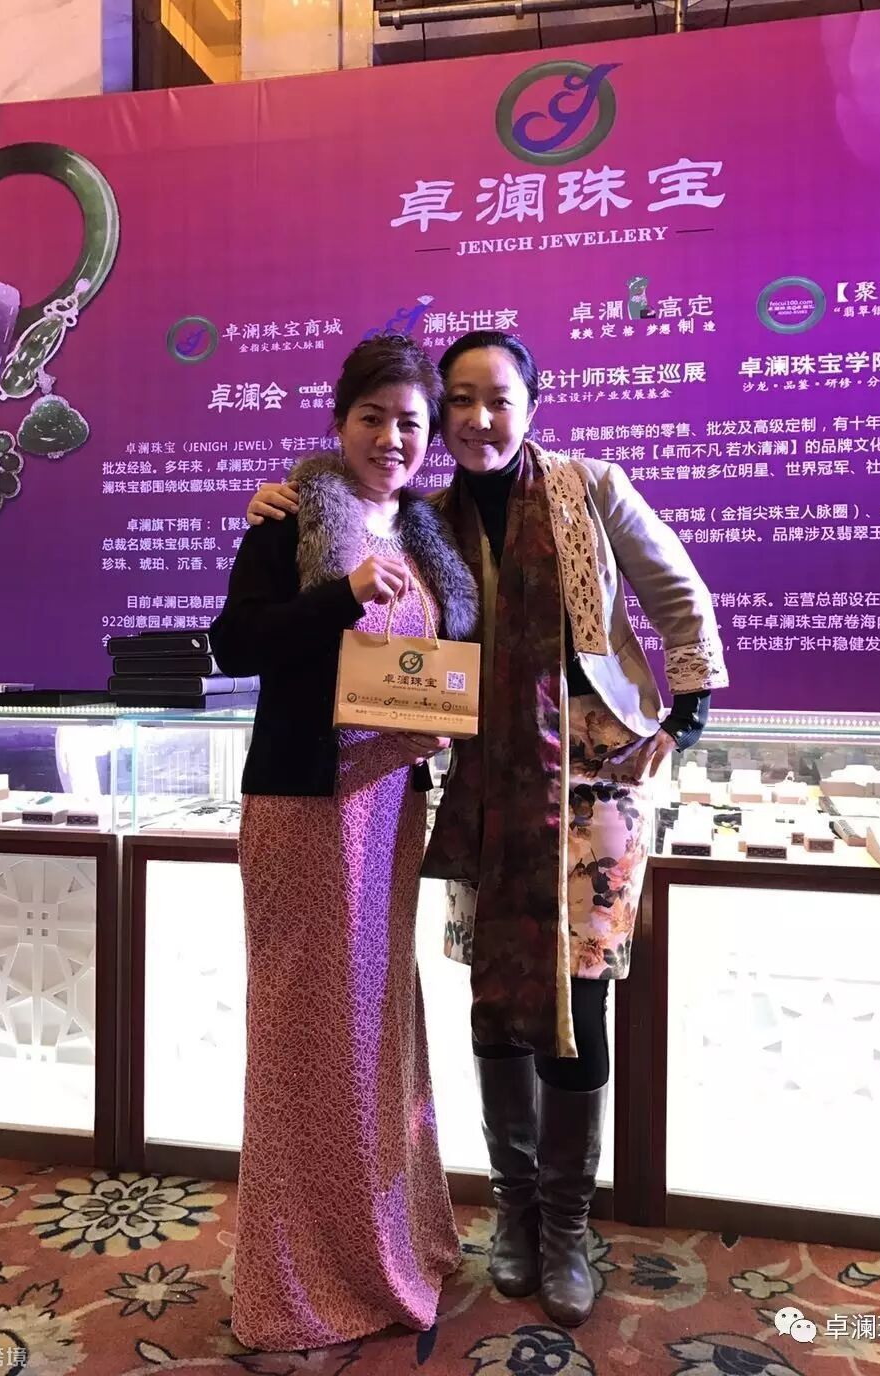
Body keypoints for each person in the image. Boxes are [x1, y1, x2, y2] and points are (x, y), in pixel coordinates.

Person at [246, 329, 727, 1330]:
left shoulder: (591, 487)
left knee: (579, 992)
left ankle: (565, 1226)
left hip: (592, 781)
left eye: (495, 399)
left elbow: (677, 591)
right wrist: (284, 498)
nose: (475, 420)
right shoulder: (430, 517)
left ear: (531, 406)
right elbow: (347, 537)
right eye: (457, 402)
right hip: (484, 784)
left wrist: (683, 713)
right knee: (494, 994)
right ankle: (513, 1211)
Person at [210, 333, 478, 1352]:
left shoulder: (429, 533)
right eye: (374, 417)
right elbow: (236, 641)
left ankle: (388, 1239)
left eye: (411, 422)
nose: (392, 438)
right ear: (339, 422)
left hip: (390, 805)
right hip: (305, 804)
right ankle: (298, 1276)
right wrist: (341, 593)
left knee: (376, 1024)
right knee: (301, 1032)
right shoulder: (291, 519)